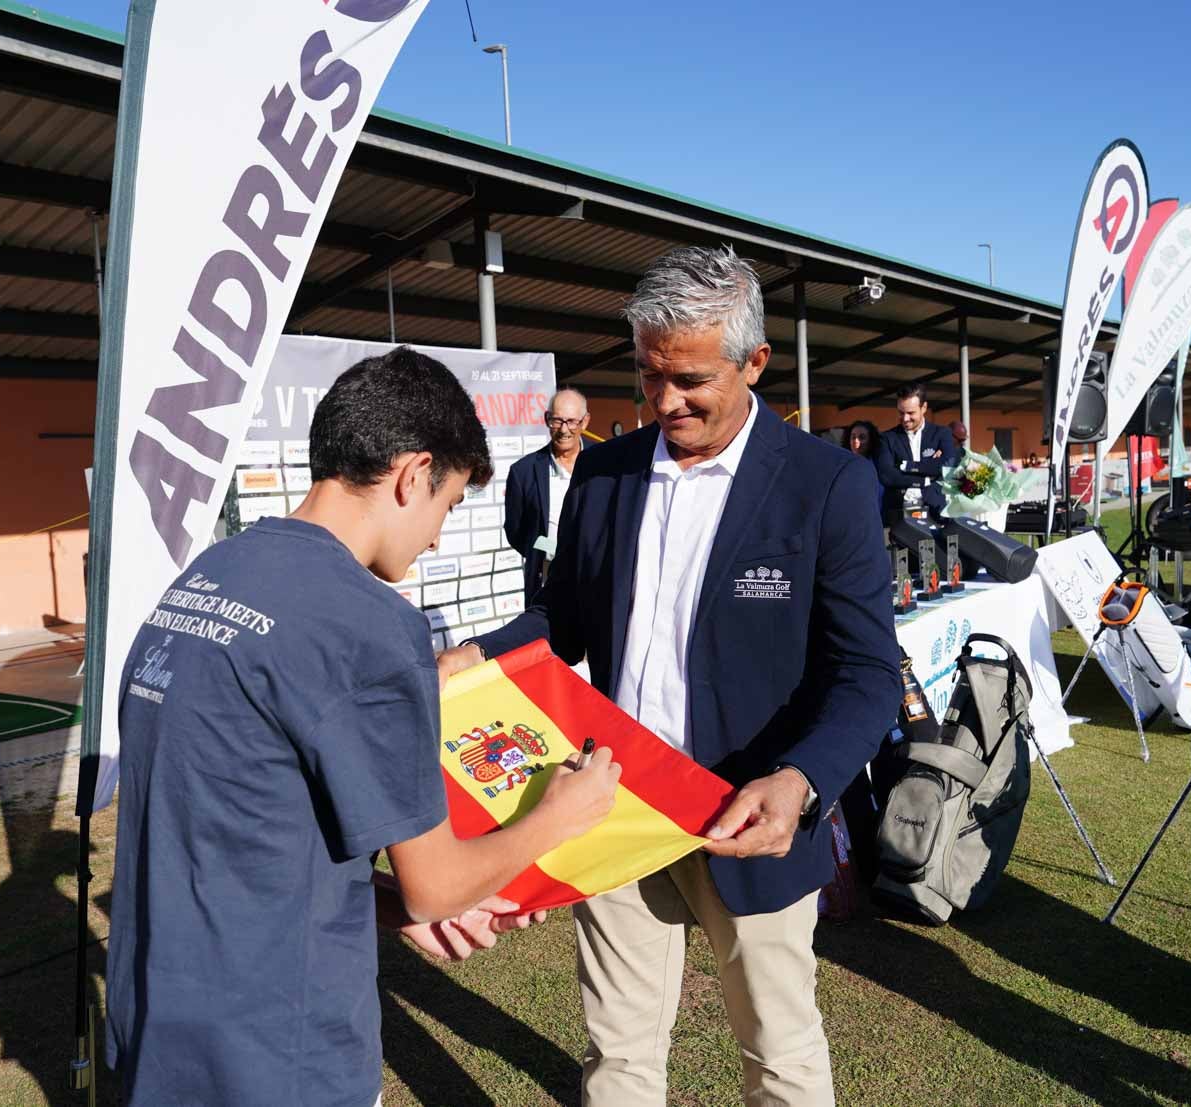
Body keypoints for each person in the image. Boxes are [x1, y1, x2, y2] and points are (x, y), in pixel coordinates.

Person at [440, 246, 901, 1105]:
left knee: (779, 1051)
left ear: (753, 361)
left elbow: (869, 670)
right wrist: (481, 653)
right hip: (612, 801)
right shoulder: (608, 473)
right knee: (617, 1054)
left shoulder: (825, 483)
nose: (663, 401)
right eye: (648, 376)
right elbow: (565, 620)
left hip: (747, 815)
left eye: (689, 379)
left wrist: (800, 781)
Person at [107, 346, 622, 1107]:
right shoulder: (369, 621)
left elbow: (248, 841)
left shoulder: (207, 577)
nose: (439, 538)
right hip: (281, 1054)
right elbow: (436, 884)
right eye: (446, 507)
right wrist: (559, 815)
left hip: (161, 1033)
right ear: (413, 474)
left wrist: (382, 902)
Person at [505, 388, 588, 600]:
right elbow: (515, 531)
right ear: (546, 420)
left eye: (572, 421)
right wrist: (545, 549)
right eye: (557, 420)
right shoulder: (523, 471)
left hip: (594, 580)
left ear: (585, 422)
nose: (564, 429)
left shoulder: (604, 464)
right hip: (546, 581)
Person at [875, 382, 960, 517]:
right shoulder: (887, 438)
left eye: (910, 413)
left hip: (935, 510)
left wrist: (908, 466)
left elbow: (948, 467)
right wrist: (925, 479)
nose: (905, 418)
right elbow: (887, 476)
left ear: (924, 407)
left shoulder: (941, 434)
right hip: (898, 512)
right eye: (901, 413)